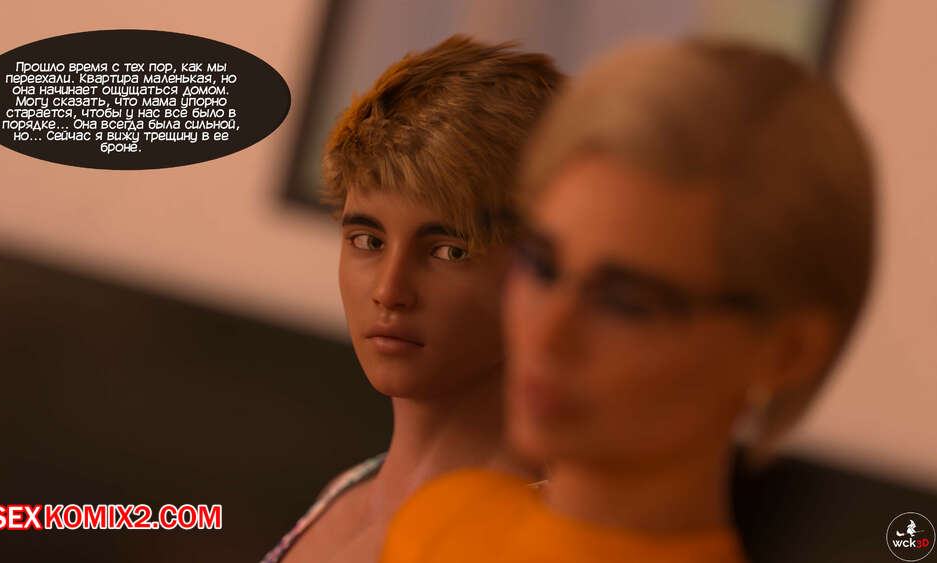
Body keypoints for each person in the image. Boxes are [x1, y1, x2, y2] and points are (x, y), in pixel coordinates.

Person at [382, 37, 874, 563]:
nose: (547, 334)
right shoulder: (438, 523)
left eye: (625, 302)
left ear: (786, 352)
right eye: (541, 267)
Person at [261, 35, 562, 563]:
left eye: (449, 251)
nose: (389, 291)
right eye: (368, 241)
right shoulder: (347, 491)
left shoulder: (531, 542)